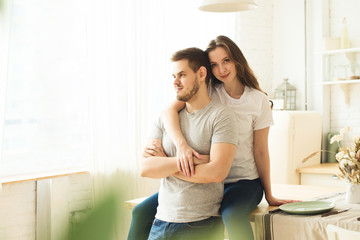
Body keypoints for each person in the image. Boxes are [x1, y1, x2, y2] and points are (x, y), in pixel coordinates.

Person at [127, 36, 297, 240]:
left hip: (243, 180)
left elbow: (260, 150)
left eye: (226, 60)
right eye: (214, 64)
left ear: (237, 60)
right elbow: (167, 113)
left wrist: (269, 193)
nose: (221, 69)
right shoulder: (208, 91)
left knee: (231, 215)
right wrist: (181, 148)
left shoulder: (257, 100)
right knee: (141, 211)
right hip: (204, 177)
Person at [137, 47, 239, 240]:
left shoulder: (222, 117)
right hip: (161, 221)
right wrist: (191, 161)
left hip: (201, 224)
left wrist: (165, 163)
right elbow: (145, 168)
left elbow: (216, 173)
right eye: (174, 76)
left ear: (201, 73)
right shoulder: (166, 118)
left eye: (182, 75)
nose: (175, 82)